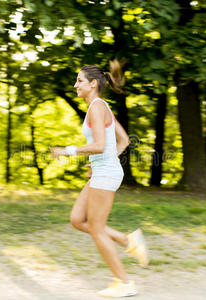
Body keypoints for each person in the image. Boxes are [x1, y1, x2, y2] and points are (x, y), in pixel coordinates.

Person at [50, 60, 148, 298]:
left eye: (79, 81)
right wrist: (103, 162)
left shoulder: (96, 106)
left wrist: (67, 150)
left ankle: (124, 282)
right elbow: (123, 141)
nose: (75, 85)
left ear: (93, 84)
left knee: (95, 228)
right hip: (104, 171)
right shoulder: (100, 106)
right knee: (77, 219)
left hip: (106, 174)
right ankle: (129, 241)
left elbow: (100, 145)